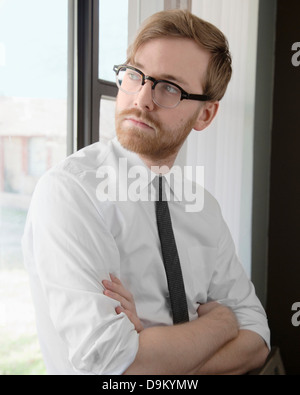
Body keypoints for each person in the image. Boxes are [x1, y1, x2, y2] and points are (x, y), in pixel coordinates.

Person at [22, 9, 270, 375]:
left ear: (205, 115)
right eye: (135, 74)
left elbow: (257, 339)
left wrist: (157, 357)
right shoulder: (71, 192)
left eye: (169, 87)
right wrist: (219, 325)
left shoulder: (205, 210)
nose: (141, 98)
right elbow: (117, 367)